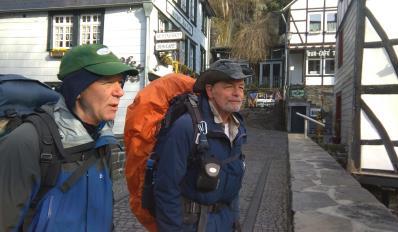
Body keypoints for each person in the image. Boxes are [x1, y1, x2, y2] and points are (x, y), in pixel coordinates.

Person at [0, 44, 138, 231]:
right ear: (78, 89)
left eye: (120, 82)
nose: (120, 92)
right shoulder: (28, 141)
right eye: (107, 82)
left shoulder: (102, 140)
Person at [153, 59, 249, 231]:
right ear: (210, 90)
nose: (237, 93)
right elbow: (166, 188)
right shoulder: (186, 127)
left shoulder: (237, 128)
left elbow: (233, 185)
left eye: (241, 87)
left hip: (225, 222)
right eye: (229, 86)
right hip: (194, 224)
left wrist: (235, 222)